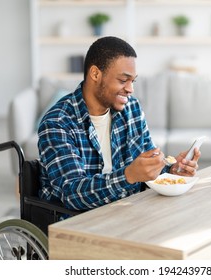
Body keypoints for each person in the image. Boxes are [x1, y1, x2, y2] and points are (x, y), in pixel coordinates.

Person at [38, 36, 200, 212]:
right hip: (79, 221)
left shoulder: (132, 108)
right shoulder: (58, 123)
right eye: (123, 80)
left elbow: (147, 168)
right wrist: (128, 176)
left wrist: (174, 169)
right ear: (95, 74)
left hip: (128, 211)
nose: (130, 89)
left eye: (133, 81)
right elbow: (73, 194)